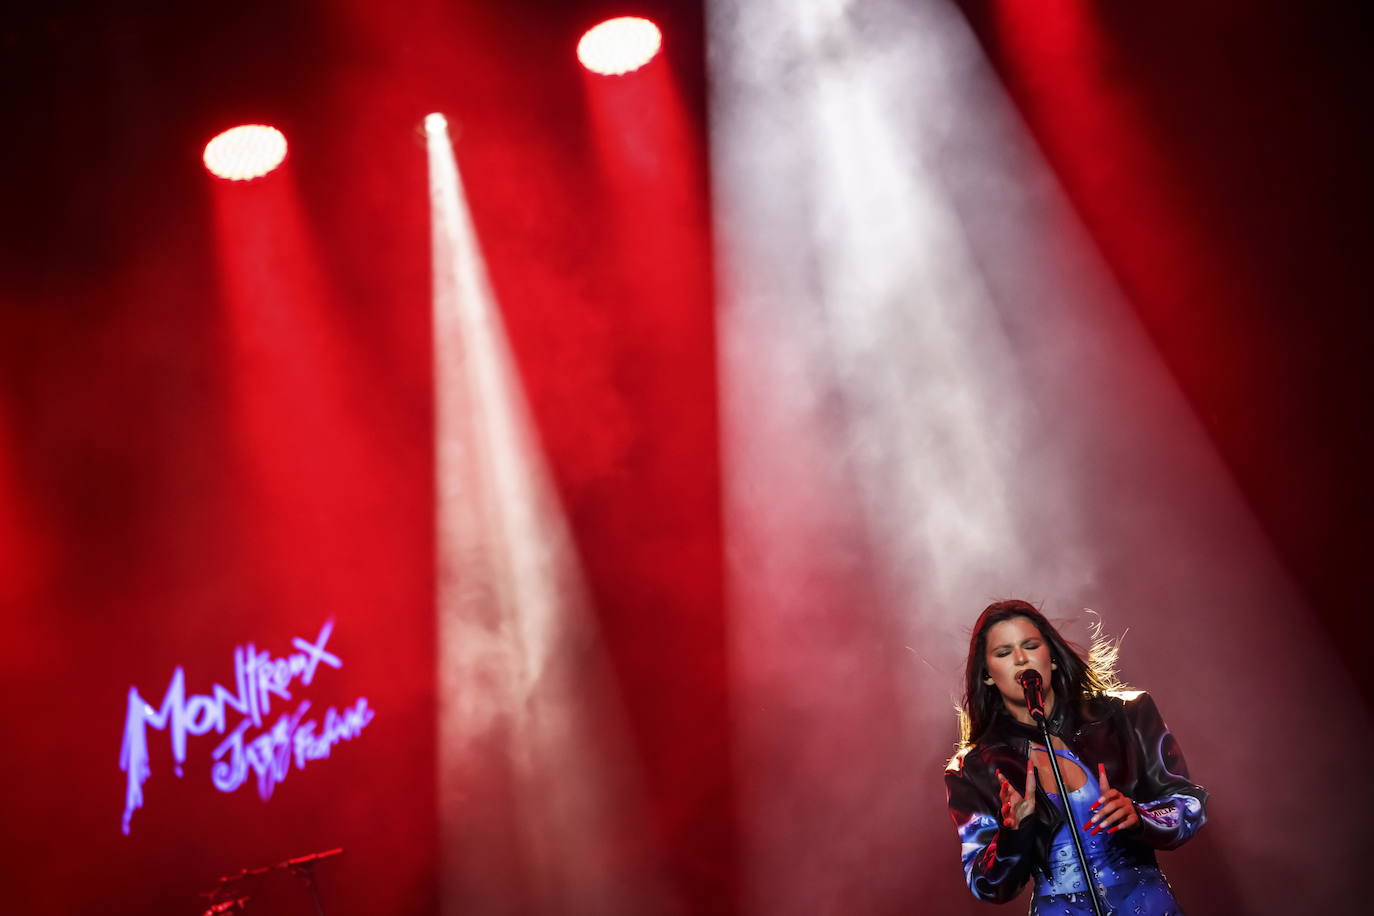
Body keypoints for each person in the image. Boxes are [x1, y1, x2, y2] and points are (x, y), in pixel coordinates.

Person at [944, 599, 1206, 914]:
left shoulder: (1126, 715)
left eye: (1030, 645)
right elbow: (985, 883)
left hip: (1145, 902)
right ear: (987, 674)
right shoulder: (973, 768)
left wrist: (1141, 815)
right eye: (1003, 653)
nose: (1020, 658)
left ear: (1051, 656)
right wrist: (1013, 834)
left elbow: (1190, 802)